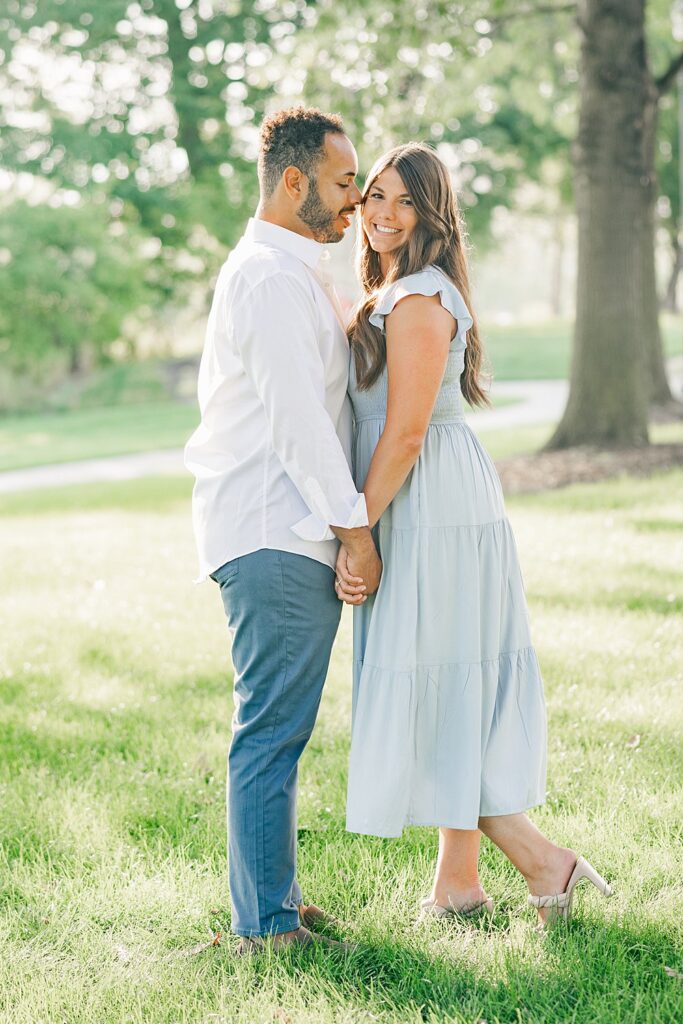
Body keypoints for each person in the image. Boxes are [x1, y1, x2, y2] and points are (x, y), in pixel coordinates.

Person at [335, 142, 613, 926]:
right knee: (445, 678)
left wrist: (358, 530)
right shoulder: (396, 289)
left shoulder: (420, 299)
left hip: (430, 503)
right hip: (424, 496)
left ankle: (542, 861)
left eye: (404, 202)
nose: (383, 214)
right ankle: (458, 884)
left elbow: (407, 433)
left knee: (435, 685)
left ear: (432, 216)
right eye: (375, 197)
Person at [184, 107, 381, 954]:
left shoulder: (293, 271)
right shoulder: (266, 276)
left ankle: (277, 903)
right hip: (272, 528)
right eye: (343, 184)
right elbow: (299, 422)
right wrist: (356, 530)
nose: (355, 202)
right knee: (270, 730)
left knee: (280, 728)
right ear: (293, 180)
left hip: (282, 527)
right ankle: (263, 928)